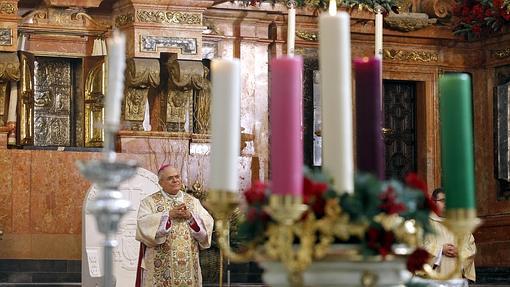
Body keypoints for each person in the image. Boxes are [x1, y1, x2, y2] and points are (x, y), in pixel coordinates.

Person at [135, 164, 214, 287]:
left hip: (188, 267)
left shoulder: (193, 202)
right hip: (160, 267)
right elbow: (143, 226)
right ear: (161, 183)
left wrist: (190, 217)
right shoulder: (149, 202)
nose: (175, 180)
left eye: (177, 177)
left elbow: (206, 229)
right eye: (170, 178)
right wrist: (168, 215)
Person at [423, 187, 476, 282]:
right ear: (433, 202)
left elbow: (471, 248)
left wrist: (459, 252)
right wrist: (440, 250)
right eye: (443, 200)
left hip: (455, 277)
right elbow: (418, 248)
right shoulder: (425, 223)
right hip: (433, 278)